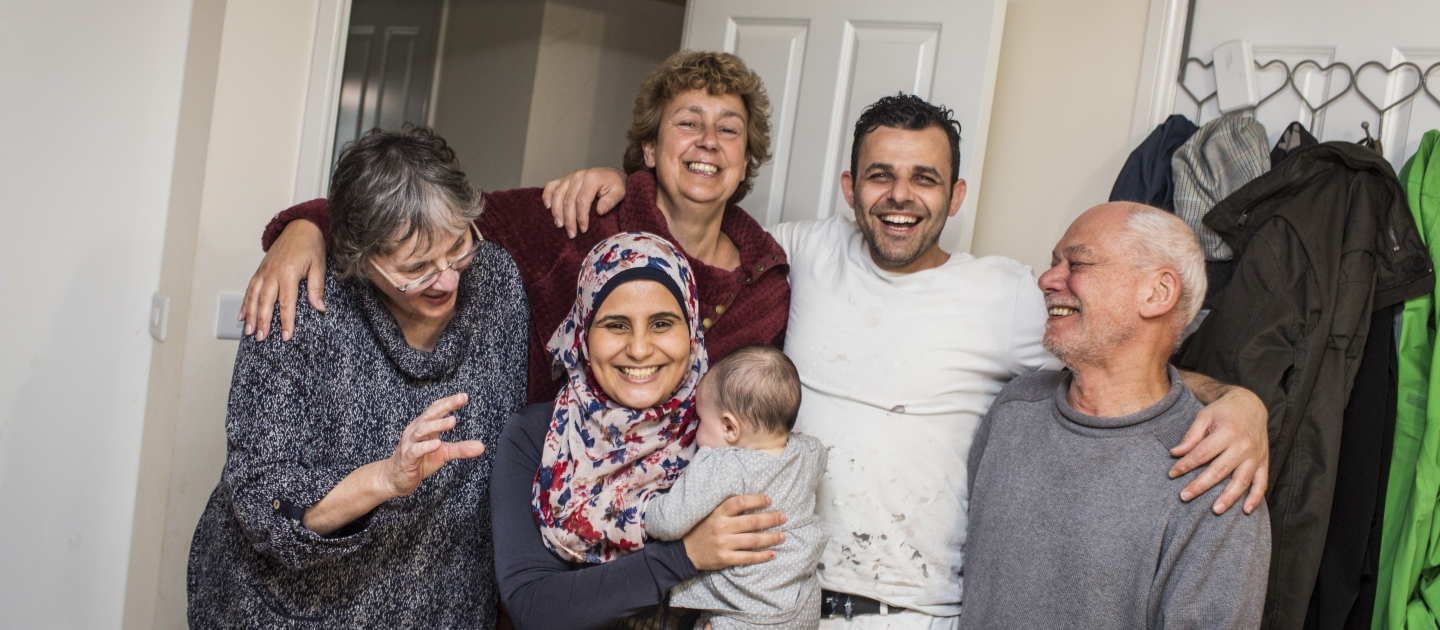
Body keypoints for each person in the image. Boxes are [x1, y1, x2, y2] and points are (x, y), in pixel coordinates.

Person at [542, 93, 1271, 628]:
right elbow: (680, 243)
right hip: (764, 598)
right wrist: (614, 187)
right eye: (880, 175)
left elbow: (1123, 351)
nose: (899, 196)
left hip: (913, 614)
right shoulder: (796, 253)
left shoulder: (1014, 296)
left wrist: (1239, 402)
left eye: (924, 179)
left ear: (954, 196)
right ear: (849, 189)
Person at [241, 50, 790, 406]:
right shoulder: (582, 216)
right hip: (536, 496)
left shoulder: (766, 287)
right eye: (688, 123)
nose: (708, 142)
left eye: (729, 129)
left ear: (747, 157)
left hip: (676, 524)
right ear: (649, 147)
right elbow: (426, 216)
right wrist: (305, 228)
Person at [186, 128, 529, 627]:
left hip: (442, 608)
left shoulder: (495, 280)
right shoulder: (301, 304)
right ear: (360, 259)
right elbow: (264, 504)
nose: (449, 279)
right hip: (290, 611)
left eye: (458, 248)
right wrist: (385, 479)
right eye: (417, 268)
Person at [961, 202, 1270, 629]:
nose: (1047, 280)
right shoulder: (1014, 410)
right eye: (1054, 263)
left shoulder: (1214, 468)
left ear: (1158, 293)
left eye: (1078, 263)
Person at [491, 232, 789, 630]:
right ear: (583, 333)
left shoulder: (728, 434)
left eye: (662, 323)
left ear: (692, 332)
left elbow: (779, 572)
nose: (639, 349)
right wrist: (685, 556)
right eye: (616, 325)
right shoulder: (535, 435)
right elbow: (533, 605)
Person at [647, 345, 828, 630]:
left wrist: (643, 507)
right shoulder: (809, 452)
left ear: (730, 428)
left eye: (701, 419)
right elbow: (819, 456)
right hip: (801, 605)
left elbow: (668, 522)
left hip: (746, 613)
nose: (696, 428)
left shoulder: (723, 465)